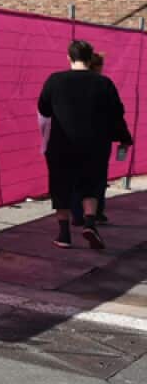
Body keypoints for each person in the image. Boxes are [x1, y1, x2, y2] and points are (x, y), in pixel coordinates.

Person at [38, 40, 127, 250]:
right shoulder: (103, 83)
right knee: (91, 184)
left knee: (61, 186)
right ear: (90, 58)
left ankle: (64, 233)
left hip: (62, 144)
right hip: (95, 143)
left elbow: (44, 109)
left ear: (69, 57)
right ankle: (89, 223)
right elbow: (117, 112)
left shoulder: (55, 80)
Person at [71, 52, 133, 226]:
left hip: (73, 137)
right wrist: (124, 137)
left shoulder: (67, 82)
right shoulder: (104, 84)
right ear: (96, 66)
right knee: (97, 178)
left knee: (76, 176)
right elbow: (117, 113)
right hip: (99, 139)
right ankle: (95, 213)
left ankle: (76, 214)